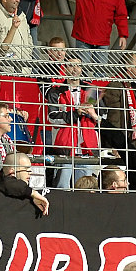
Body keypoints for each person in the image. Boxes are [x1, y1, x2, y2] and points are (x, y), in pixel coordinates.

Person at [60, 0, 128, 64]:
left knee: (100, 71)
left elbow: (121, 16)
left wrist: (123, 35)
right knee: (82, 70)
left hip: (102, 39)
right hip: (83, 36)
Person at [47, 57, 101, 188]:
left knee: (85, 188)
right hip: (64, 147)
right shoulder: (56, 91)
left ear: (82, 69)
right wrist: (75, 113)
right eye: (71, 66)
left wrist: (93, 114)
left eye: (78, 66)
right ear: (65, 69)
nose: (75, 69)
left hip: (87, 147)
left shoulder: (91, 90)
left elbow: (103, 116)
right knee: (62, 187)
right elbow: (52, 118)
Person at [100, 53, 136, 163]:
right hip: (124, 142)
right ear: (128, 67)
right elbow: (114, 118)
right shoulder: (116, 85)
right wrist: (115, 144)